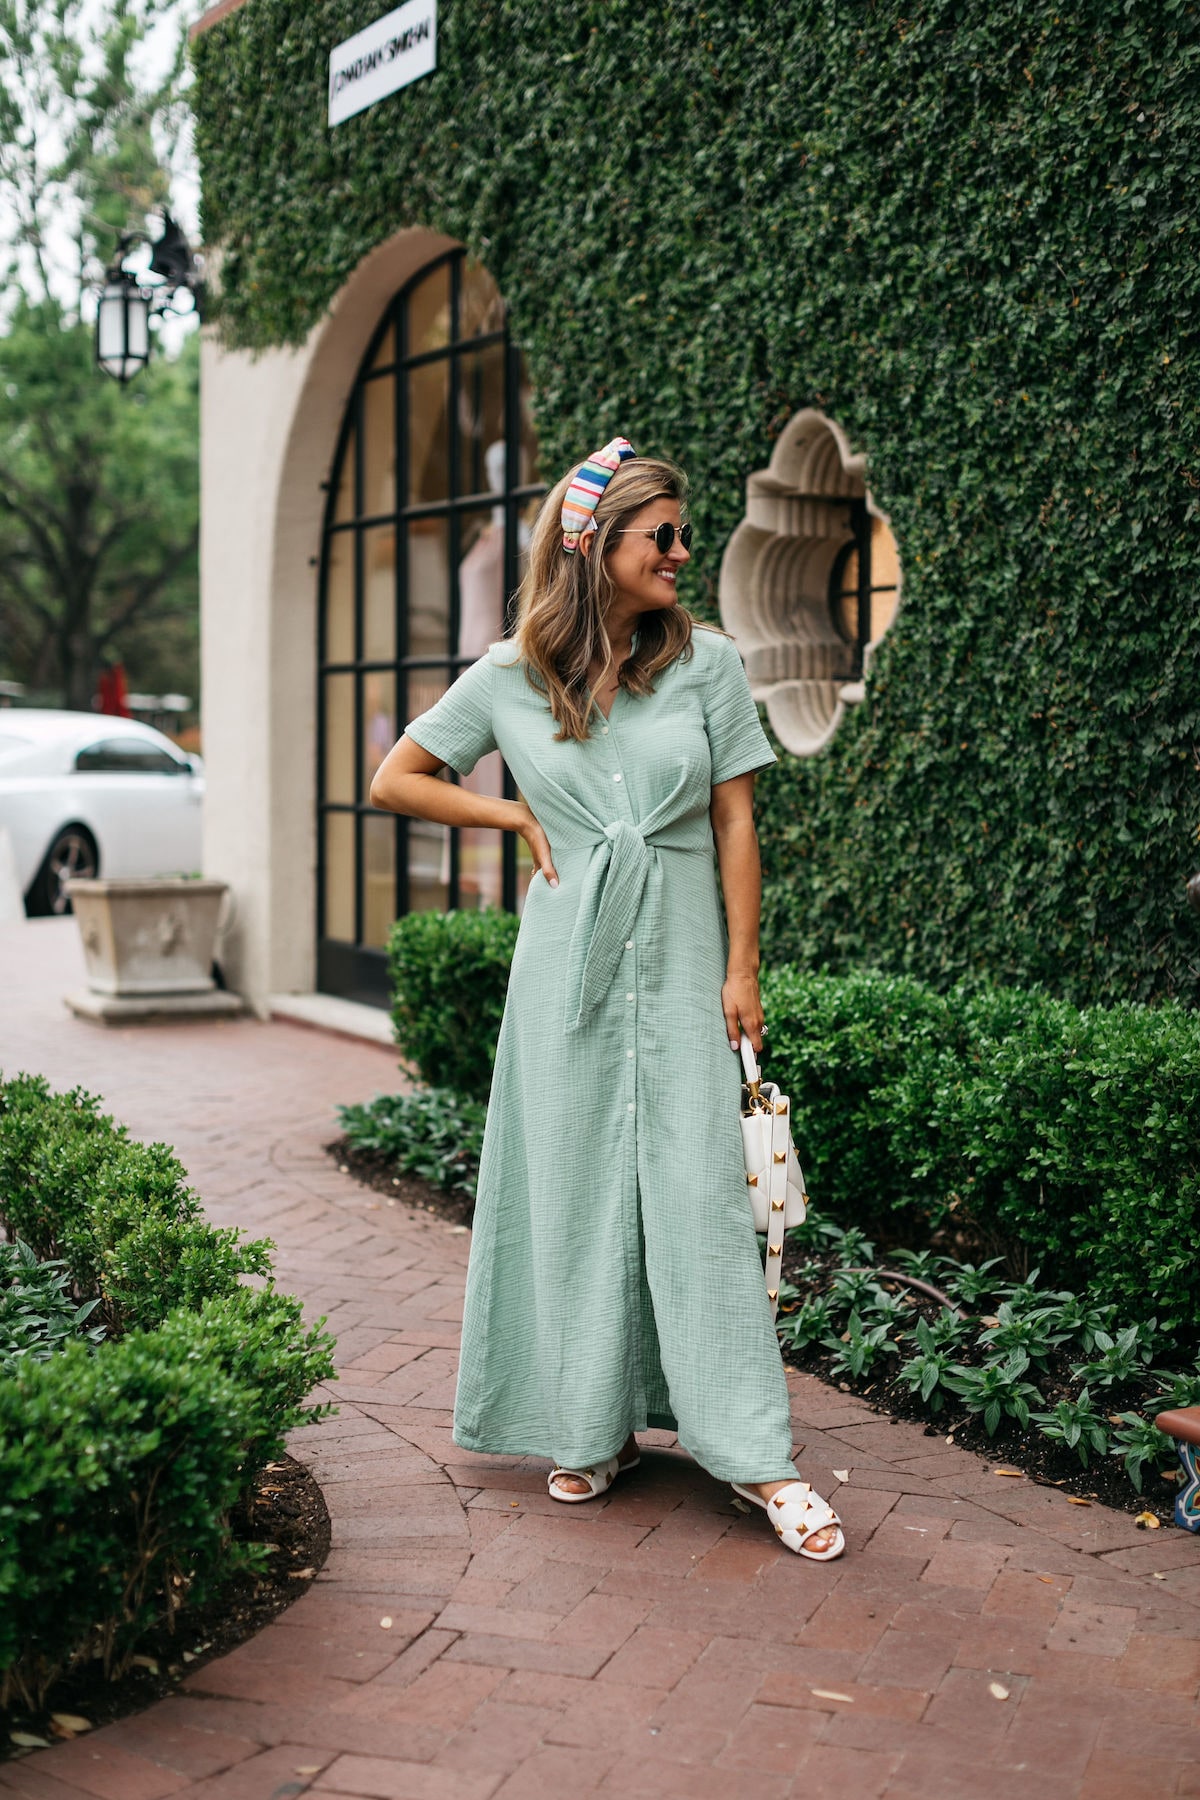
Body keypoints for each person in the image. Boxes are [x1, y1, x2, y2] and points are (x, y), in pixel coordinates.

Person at [369, 437, 844, 1560]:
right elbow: (397, 778)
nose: (685, 552)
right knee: (575, 1188)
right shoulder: (510, 676)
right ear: (595, 548)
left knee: (699, 1199)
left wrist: (743, 968)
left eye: (686, 533)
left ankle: (756, 1456)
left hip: (682, 951)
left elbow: (736, 821)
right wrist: (518, 817)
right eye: (665, 536)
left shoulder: (710, 665)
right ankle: (591, 1427)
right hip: (568, 963)